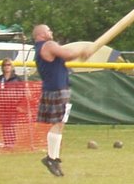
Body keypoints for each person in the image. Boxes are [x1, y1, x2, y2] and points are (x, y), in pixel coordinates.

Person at [32, 24, 93, 177]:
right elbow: (68, 54)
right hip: (57, 89)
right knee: (58, 122)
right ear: (40, 34)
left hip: (54, 88)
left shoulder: (39, 48)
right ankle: (51, 158)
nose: (51, 32)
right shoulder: (48, 45)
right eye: (48, 30)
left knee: (60, 123)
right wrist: (84, 51)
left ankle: (54, 158)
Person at [0, 58, 21, 149]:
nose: (7, 67)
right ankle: (7, 142)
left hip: (13, 105)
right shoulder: (0, 78)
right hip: (2, 105)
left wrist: (18, 103)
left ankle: (11, 142)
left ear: (12, 67)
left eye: (9, 65)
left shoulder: (17, 78)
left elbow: (21, 91)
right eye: (5, 65)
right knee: (5, 123)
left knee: (11, 123)